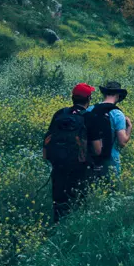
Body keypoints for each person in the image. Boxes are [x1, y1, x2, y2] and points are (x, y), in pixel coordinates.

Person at [43, 83, 96, 223]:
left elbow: (48, 137)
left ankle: (56, 227)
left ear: (72, 97)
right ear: (89, 99)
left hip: (58, 164)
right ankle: (72, 230)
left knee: (58, 199)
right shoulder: (89, 117)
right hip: (79, 167)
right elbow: (97, 149)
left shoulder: (61, 113)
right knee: (77, 201)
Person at [85, 81, 132, 181]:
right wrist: (129, 128)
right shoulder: (117, 114)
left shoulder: (90, 109)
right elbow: (122, 142)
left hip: (89, 158)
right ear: (118, 96)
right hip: (111, 159)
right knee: (112, 190)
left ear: (104, 94)